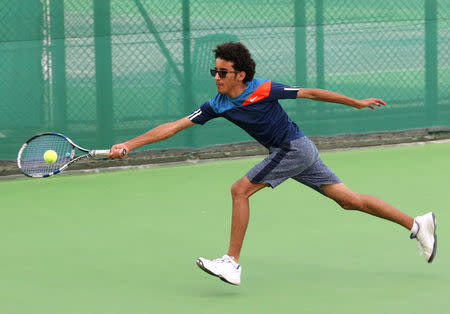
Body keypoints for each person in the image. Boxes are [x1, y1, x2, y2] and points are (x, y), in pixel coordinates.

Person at [108, 42, 437, 286]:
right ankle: (418, 224)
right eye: (214, 71)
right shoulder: (218, 104)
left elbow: (309, 93)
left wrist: (356, 102)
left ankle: (232, 262)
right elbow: (175, 126)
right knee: (348, 201)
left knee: (240, 191)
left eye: (222, 72)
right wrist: (129, 144)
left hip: (293, 148)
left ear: (240, 74)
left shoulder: (263, 89)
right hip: (297, 150)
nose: (217, 77)